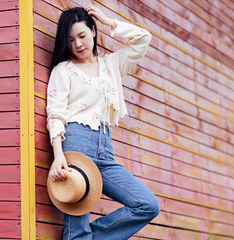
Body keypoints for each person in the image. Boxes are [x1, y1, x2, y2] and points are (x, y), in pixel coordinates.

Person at [46, 4, 160, 240]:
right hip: (76, 146)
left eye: (82, 35)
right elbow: (55, 114)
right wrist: (58, 155)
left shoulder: (111, 66)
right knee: (76, 226)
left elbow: (143, 39)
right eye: (71, 40)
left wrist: (109, 21)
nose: (78, 44)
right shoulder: (63, 70)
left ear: (93, 32)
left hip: (105, 151)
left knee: (147, 205)